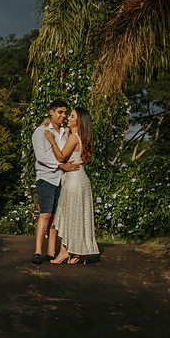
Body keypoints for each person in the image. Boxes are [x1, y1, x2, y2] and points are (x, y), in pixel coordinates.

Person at [45, 107, 101, 265]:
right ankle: (79, 251)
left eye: (71, 116)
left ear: (79, 121)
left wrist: (51, 140)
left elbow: (61, 157)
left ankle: (65, 250)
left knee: (69, 215)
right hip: (82, 178)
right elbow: (65, 129)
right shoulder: (83, 136)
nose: (67, 118)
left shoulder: (74, 138)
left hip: (73, 180)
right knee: (78, 216)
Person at [31, 100, 79, 264]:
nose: (63, 116)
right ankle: (38, 252)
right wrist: (60, 165)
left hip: (62, 178)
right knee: (45, 214)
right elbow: (41, 156)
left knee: (56, 217)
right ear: (51, 112)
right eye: (60, 112)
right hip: (46, 177)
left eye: (65, 113)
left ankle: (51, 252)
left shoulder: (66, 132)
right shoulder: (41, 131)